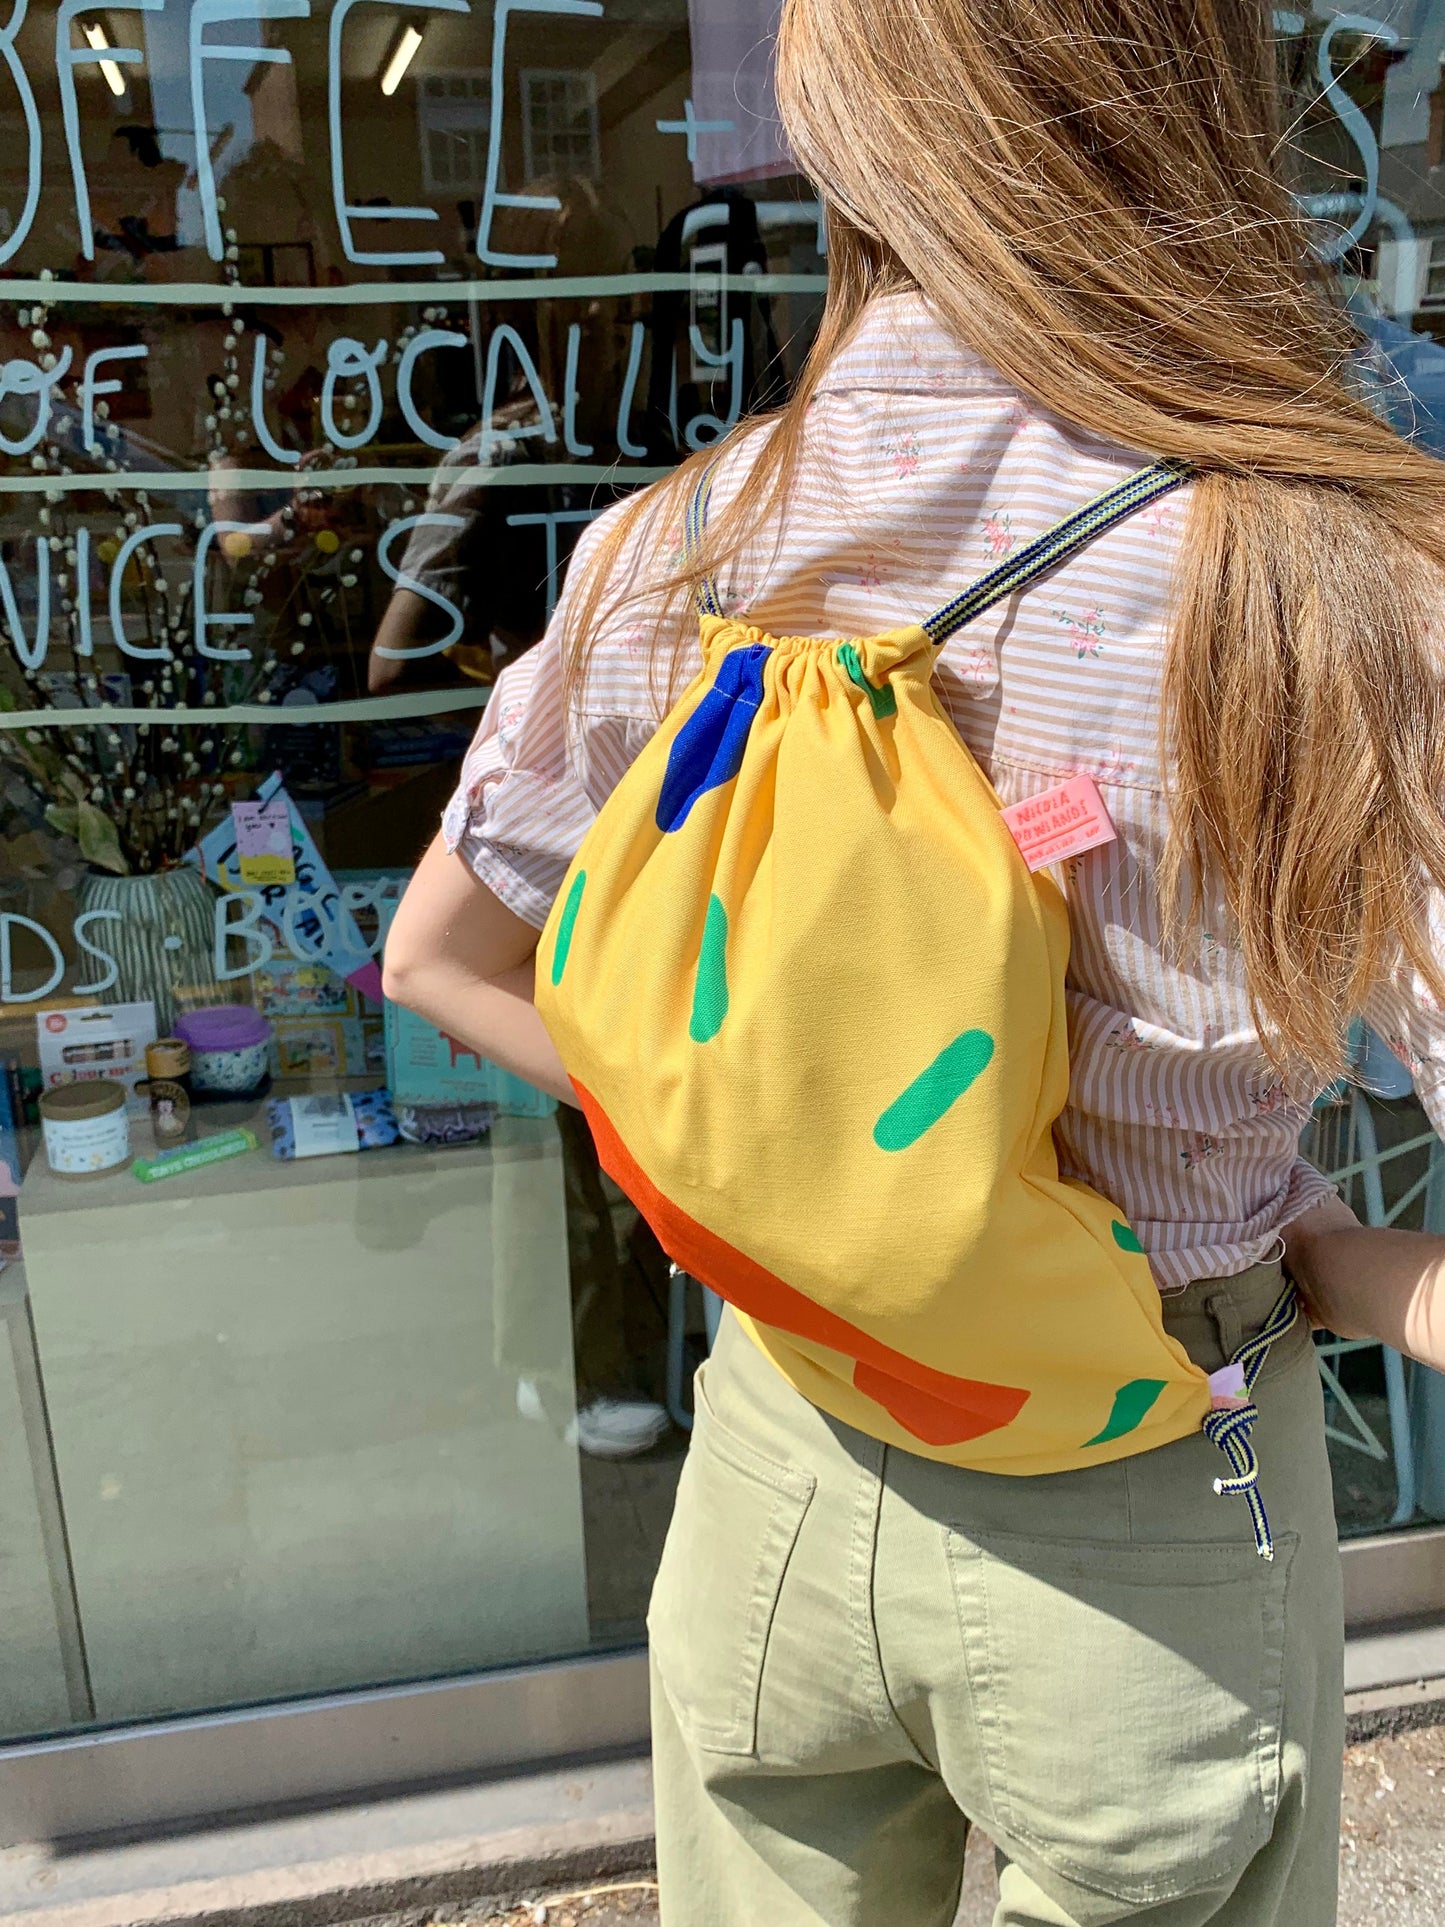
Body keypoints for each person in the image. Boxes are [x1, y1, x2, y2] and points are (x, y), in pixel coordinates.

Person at [383, 2, 1445, 1920]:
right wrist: (1351, 1264)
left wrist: (807, 1156)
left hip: (783, 1446)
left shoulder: (677, 544)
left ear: (832, 125)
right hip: (1155, 1476)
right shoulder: (1326, 585)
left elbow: (441, 962)